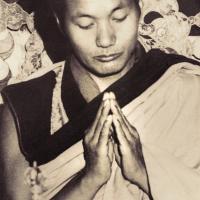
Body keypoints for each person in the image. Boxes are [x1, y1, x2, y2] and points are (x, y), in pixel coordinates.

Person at [0, 0, 200, 199]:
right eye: (86, 24)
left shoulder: (187, 87)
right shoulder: (25, 110)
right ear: (60, 23)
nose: (105, 39)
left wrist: (145, 173)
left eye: (119, 18)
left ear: (139, 10)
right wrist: (89, 180)